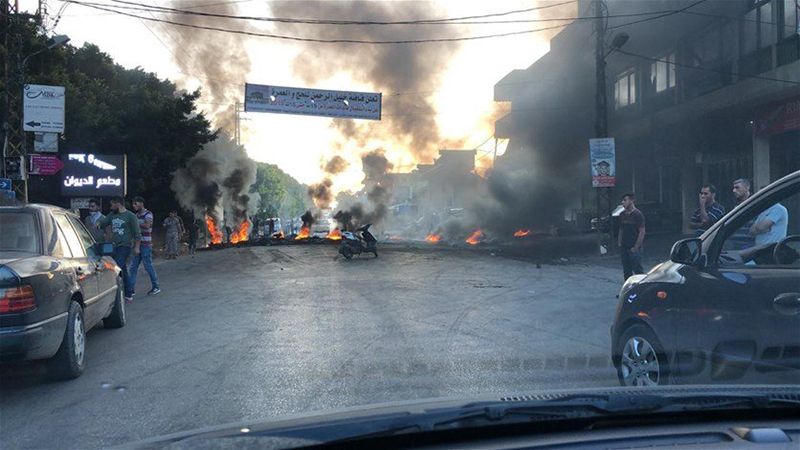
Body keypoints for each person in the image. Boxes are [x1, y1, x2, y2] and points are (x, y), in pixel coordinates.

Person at [96, 197, 141, 303]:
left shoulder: (130, 216)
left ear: (118, 204)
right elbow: (103, 222)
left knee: (118, 267)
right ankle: (129, 291)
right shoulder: (112, 215)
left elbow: (137, 233)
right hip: (114, 246)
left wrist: (137, 247)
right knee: (123, 269)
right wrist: (98, 223)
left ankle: (119, 292)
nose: (111, 207)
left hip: (125, 246)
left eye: (112, 205)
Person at [130, 196, 160, 296]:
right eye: (133, 204)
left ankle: (156, 287)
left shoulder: (148, 214)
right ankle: (131, 289)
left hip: (146, 245)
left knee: (148, 266)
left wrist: (136, 223)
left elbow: (147, 226)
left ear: (141, 203)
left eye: (135, 203)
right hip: (137, 244)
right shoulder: (136, 215)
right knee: (133, 267)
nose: (134, 206)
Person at [618, 193, 646, 281]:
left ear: (631, 201)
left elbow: (642, 231)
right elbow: (621, 229)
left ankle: (641, 289)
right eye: (622, 200)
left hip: (634, 247)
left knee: (638, 270)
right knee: (626, 271)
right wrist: (619, 241)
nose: (623, 202)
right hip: (624, 246)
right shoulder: (622, 214)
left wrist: (636, 247)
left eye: (625, 200)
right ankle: (627, 290)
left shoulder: (638, 214)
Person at [728, 178, 755, 250]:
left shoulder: (755, 202)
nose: (734, 191)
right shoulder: (733, 204)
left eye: (737, 188)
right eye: (733, 188)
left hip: (750, 244)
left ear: (747, 188)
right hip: (734, 243)